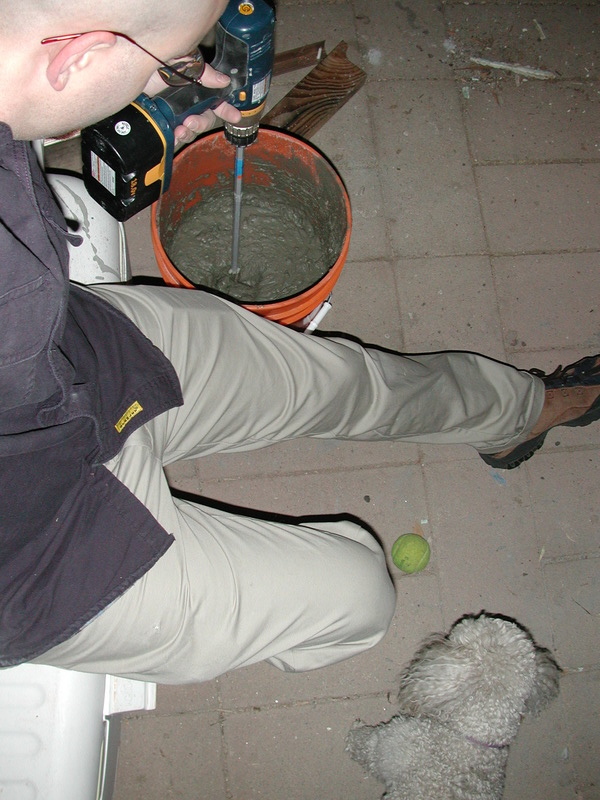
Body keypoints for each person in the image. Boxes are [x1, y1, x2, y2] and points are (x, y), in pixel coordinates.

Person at [0, 0, 598, 682]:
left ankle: (519, 413)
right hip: (44, 558)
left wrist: (90, 101)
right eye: (172, 64)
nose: (191, 79)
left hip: (84, 361)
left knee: (342, 381)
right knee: (362, 591)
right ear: (77, 56)